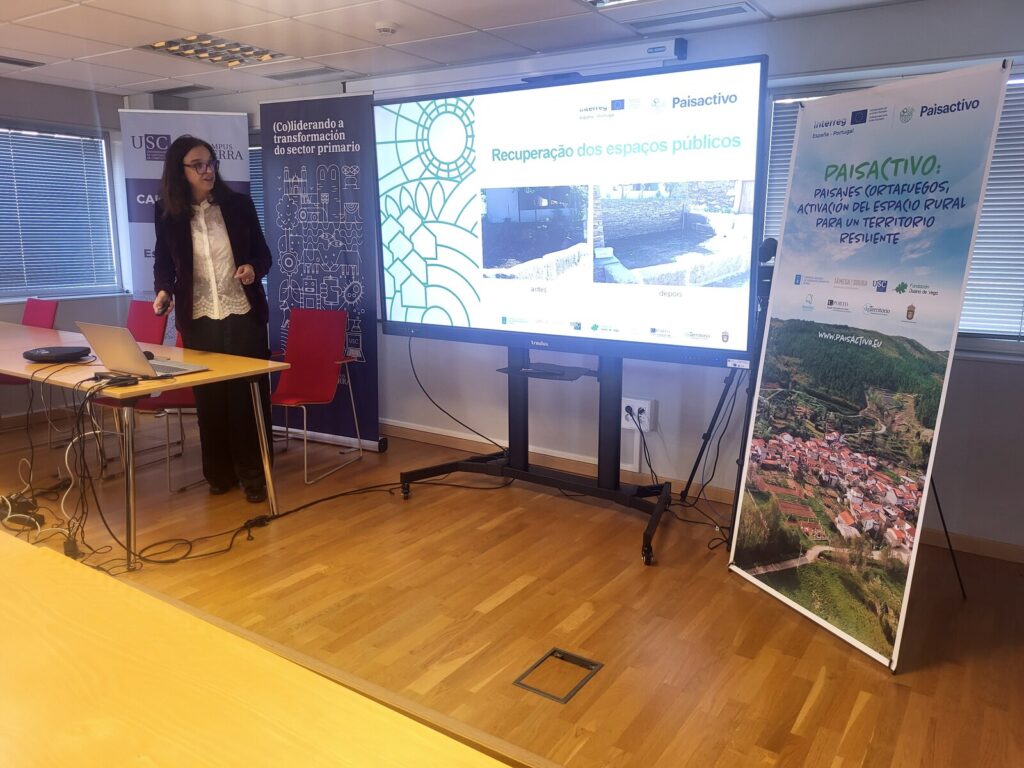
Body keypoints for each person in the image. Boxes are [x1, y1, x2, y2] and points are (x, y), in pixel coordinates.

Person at [152, 135, 273, 503]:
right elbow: (163, 262)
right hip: (200, 317)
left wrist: (252, 269)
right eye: (198, 165)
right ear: (180, 171)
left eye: (211, 163)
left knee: (247, 399)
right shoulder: (167, 213)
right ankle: (219, 474)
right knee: (210, 399)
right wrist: (164, 290)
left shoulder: (238, 205)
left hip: (243, 314)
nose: (207, 170)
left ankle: (255, 476)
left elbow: (263, 255)